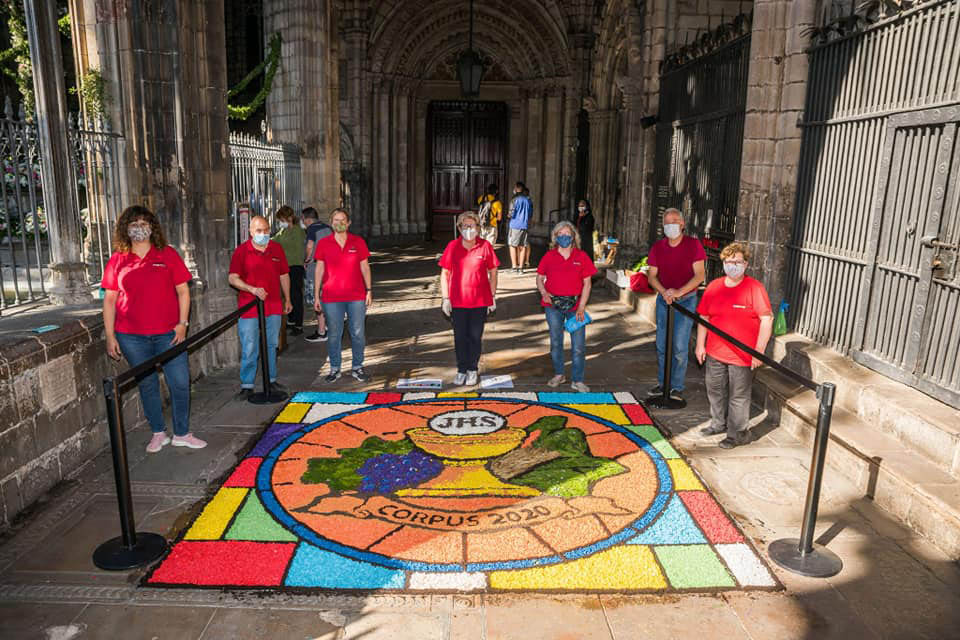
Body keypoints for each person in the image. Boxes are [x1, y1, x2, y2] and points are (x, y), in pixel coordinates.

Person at [102, 205, 206, 452]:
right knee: (147, 383)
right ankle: (158, 432)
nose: (139, 227)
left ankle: (182, 432)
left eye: (144, 222)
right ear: (125, 228)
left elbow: (183, 291)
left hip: (168, 334)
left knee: (180, 382)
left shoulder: (167, 254)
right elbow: (109, 299)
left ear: (152, 226)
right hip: (131, 336)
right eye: (134, 223)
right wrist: (110, 336)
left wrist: (183, 324)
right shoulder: (118, 259)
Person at [696, 242, 773, 449]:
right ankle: (718, 423)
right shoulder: (714, 286)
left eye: (737, 262)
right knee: (715, 390)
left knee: (738, 396)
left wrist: (759, 351)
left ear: (746, 264)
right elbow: (704, 316)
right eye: (729, 262)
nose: (733, 265)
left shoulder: (754, 288)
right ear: (723, 263)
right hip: (715, 351)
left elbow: (767, 319)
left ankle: (737, 433)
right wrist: (699, 345)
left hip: (742, 355)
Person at [228, 215, 293, 399]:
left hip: (272, 305)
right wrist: (251, 289)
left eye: (266, 230)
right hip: (248, 307)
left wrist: (287, 299)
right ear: (250, 232)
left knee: (271, 344)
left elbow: (284, 275)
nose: (263, 234)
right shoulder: (241, 251)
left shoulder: (276, 249)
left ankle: (271, 380)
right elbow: (232, 278)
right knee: (250, 346)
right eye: (258, 231)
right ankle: (247, 384)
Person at [646, 208, 706, 402]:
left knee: (679, 346)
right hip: (665, 300)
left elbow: (700, 275)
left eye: (674, 221)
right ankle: (663, 383)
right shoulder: (658, 247)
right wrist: (664, 292)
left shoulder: (693, 245)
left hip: (686, 300)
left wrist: (680, 292)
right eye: (667, 222)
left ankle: (677, 386)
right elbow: (652, 275)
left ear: (682, 224)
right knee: (662, 344)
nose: (670, 225)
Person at [537, 220, 598, 392]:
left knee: (578, 345)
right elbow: (539, 278)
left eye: (567, 234)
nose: (564, 237)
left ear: (573, 236)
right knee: (556, 342)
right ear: (555, 237)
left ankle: (577, 380)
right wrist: (544, 293)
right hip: (553, 306)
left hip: (575, 306)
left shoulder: (581, 257)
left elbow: (587, 284)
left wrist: (582, 307)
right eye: (560, 234)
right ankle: (559, 374)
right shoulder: (549, 256)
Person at [439, 211, 499, 386]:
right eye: (465, 226)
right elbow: (445, 273)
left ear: (478, 228)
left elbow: (493, 272)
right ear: (459, 228)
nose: (469, 229)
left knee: (474, 337)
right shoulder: (452, 246)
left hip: (479, 301)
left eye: (472, 226)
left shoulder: (485, 246)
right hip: (457, 301)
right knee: (459, 337)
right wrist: (445, 298)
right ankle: (461, 369)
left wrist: (493, 296)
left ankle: (472, 369)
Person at [313, 208, 373, 383]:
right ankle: (335, 368)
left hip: (356, 296)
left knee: (358, 333)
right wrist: (317, 295)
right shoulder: (324, 243)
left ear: (348, 223)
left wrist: (369, 290)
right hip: (331, 297)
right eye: (336, 220)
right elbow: (319, 270)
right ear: (331, 223)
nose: (339, 223)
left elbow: (365, 267)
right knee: (334, 334)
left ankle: (357, 367)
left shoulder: (358, 242)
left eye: (343, 220)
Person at [272, 205, 306, 336]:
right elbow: (274, 241)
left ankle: (298, 324)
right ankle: (291, 320)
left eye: (282, 219)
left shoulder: (298, 231)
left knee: (295, 295)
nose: (281, 223)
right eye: (280, 220)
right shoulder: (283, 232)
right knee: (288, 295)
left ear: (290, 218)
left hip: (295, 266)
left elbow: (297, 251)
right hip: (285, 268)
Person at [302, 207, 331, 342]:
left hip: (315, 267)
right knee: (325, 297)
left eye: (303, 219)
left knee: (316, 298)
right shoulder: (328, 227)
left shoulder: (312, 229)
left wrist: (306, 259)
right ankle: (328, 326)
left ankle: (321, 331)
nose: (302, 222)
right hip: (328, 267)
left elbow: (309, 246)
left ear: (308, 219)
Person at [507, 182, 532, 274]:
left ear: (517, 188)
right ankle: (520, 268)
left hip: (515, 224)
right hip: (524, 225)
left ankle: (514, 267)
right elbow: (530, 214)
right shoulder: (527, 200)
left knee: (512, 245)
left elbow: (511, 213)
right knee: (523, 246)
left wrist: (509, 216)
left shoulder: (514, 199)